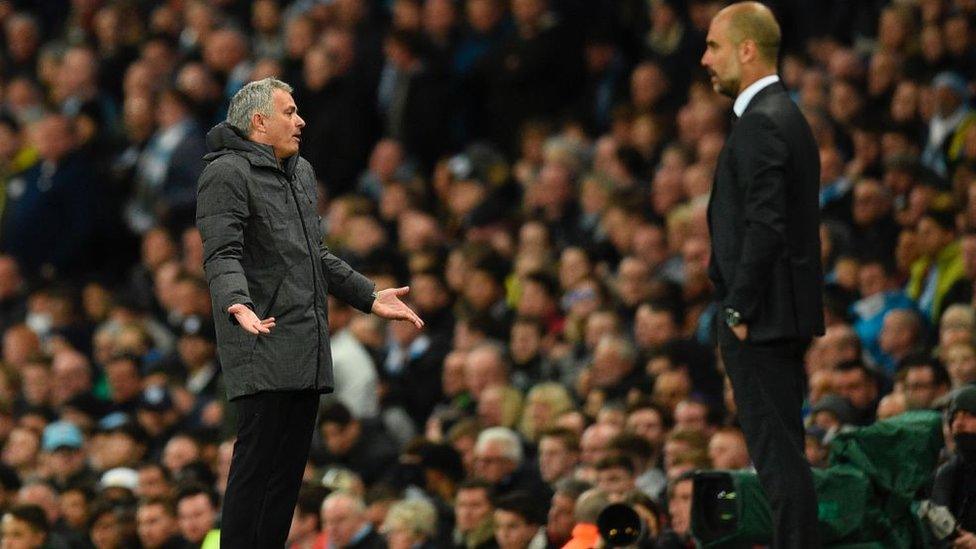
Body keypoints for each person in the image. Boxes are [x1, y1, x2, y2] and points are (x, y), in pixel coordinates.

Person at [196, 76, 423, 547]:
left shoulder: (300, 172)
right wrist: (235, 301)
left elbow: (314, 254)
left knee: (287, 474)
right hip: (261, 332)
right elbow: (222, 254)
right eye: (289, 112)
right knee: (256, 465)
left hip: (306, 338)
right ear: (259, 120)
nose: (300, 121)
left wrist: (368, 295)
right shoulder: (226, 173)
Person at [702, 3, 823, 548]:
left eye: (713, 46)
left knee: (779, 460)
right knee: (782, 454)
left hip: (762, 320)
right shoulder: (783, 115)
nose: (705, 59)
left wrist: (738, 308)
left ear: (747, 49)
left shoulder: (764, 122)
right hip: (776, 315)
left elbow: (766, 225)